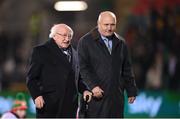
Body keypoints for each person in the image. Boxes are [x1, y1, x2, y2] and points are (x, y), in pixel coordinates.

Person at [77, 11, 138, 118]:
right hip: (95, 98)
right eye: (106, 25)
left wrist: (131, 90)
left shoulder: (121, 43)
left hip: (116, 98)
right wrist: (93, 86)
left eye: (112, 24)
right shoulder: (85, 42)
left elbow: (126, 68)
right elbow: (83, 68)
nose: (109, 28)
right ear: (98, 24)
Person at [26, 24, 92, 118]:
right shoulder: (41, 51)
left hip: (70, 108)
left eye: (69, 36)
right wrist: (36, 96)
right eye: (64, 35)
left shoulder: (76, 55)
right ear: (54, 36)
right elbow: (31, 78)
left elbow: (78, 79)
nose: (67, 38)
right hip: (49, 106)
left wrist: (85, 90)